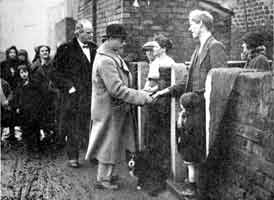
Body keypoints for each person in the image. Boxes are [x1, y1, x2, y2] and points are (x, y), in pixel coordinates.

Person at [152, 9, 227, 195]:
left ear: (201, 23)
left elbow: (220, 81)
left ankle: (199, 188)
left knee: (200, 148)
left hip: (204, 108)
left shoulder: (215, 47)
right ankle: (191, 185)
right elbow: (188, 81)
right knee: (189, 146)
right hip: (192, 108)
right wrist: (167, 90)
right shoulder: (197, 49)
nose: (189, 27)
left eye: (191, 23)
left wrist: (197, 98)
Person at [85, 23, 153, 190]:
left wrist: (139, 92)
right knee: (107, 144)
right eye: (121, 40)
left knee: (113, 143)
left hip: (113, 108)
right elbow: (116, 89)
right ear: (110, 39)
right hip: (109, 110)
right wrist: (142, 96)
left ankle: (108, 175)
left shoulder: (110, 55)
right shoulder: (106, 60)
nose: (124, 43)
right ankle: (103, 179)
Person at [52, 19, 97, 168]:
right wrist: (69, 87)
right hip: (73, 96)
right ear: (78, 32)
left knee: (90, 124)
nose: (91, 35)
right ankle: (73, 157)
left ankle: (93, 154)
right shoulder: (66, 49)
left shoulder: (94, 48)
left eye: (92, 32)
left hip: (91, 94)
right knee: (73, 126)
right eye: (88, 32)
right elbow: (55, 73)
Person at [12, 64, 44, 157]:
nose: (24, 74)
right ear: (19, 74)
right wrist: (17, 107)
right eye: (21, 73)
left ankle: (37, 148)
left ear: (28, 73)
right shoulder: (19, 85)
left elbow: (40, 96)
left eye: (25, 72)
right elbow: (17, 97)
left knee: (35, 129)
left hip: (34, 110)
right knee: (26, 129)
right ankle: (29, 148)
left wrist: (38, 107)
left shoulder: (34, 84)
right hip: (24, 111)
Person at [31, 45, 58, 136]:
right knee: (42, 116)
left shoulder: (54, 64)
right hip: (40, 96)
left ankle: (53, 136)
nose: (45, 52)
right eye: (42, 51)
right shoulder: (34, 66)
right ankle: (44, 136)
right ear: (39, 54)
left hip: (53, 95)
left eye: (46, 50)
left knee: (53, 115)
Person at [0, 46, 20, 141]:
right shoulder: (3, 64)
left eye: (14, 52)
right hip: (5, 90)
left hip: (16, 91)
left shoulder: (18, 64)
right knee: (4, 112)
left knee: (13, 113)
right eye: (10, 52)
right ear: (8, 54)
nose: (12, 54)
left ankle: (12, 134)